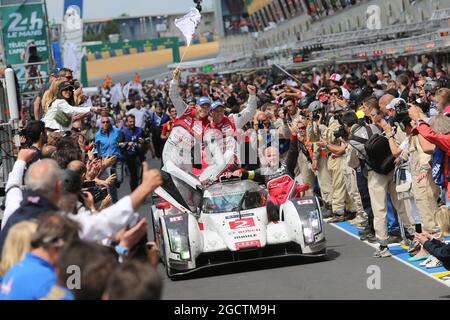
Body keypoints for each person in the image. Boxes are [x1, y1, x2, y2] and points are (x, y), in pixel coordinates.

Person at [0, 215, 79, 300]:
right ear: (59, 245)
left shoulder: (15, 269)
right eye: (73, 248)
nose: (73, 254)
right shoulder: (49, 280)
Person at [0, 159, 64, 253]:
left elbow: (12, 187)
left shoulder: (13, 209)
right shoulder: (64, 226)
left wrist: (21, 160)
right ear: (59, 187)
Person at [95, 116, 124, 203]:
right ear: (101, 124)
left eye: (107, 122)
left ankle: (117, 182)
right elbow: (96, 148)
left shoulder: (116, 131)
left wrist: (121, 143)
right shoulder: (98, 135)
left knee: (119, 179)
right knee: (111, 183)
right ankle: (115, 201)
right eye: (103, 122)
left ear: (110, 123)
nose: (105, 124)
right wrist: (98, 158)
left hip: (117, 158)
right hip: (107, 161)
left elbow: (122, 136)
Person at [121, 114, 146, 191]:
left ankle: (140, 191)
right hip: (129, 157)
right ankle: (134, 192)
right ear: (126, 122)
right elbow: (118, 143)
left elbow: (147, 139)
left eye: (133, 121)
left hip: (139, 155)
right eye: (130, 121)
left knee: (141, 175)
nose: (132, 123)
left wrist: (144, 141)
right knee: (133, 176)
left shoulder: (140, 130)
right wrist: (127, 143)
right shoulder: (123, 132)